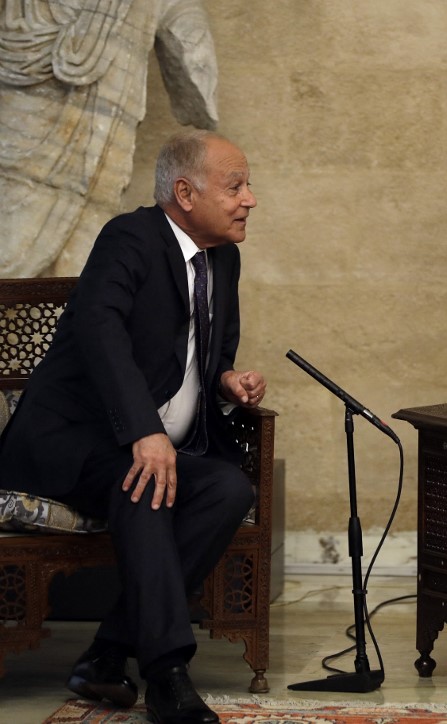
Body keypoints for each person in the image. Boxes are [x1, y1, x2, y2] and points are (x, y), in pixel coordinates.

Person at [0, 129, 266, 724]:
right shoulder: (129, 238)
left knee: (228, 488)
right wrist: (144, 430)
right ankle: (167, 669)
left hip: (149, 448)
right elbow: (101, 332)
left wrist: (225, 380)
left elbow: (206, 349)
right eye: (236, 186)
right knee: (145, 483)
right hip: (69, 439)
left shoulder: (225, 256)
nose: (250, 199)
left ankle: (107, 652)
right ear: (185, 192)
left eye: (248, 186)